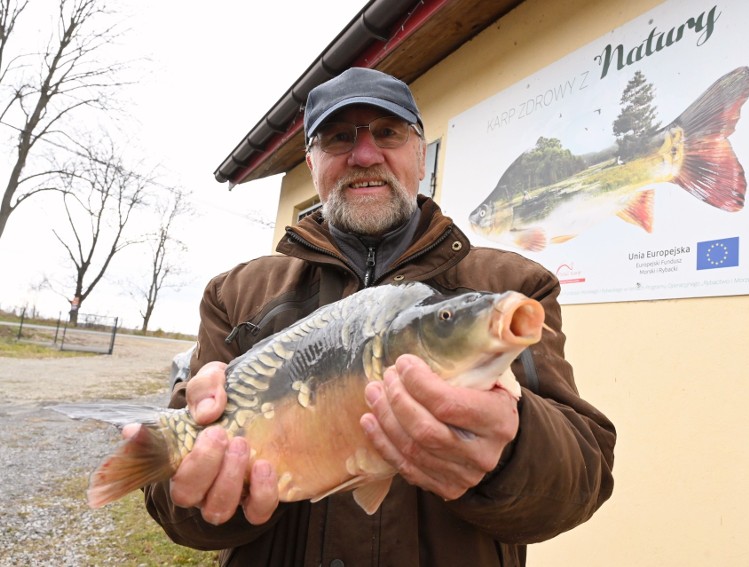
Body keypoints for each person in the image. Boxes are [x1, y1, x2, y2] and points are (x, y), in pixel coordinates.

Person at [142, 67, 616, 566]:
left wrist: (512, 451)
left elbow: (584, 479)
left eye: (388, 133)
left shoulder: (514, 286)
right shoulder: (235, 294)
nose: (364, 155)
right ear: (312, 161)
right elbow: (169, 503)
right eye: (338, 138)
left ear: (420, 155)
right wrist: (201, 491)